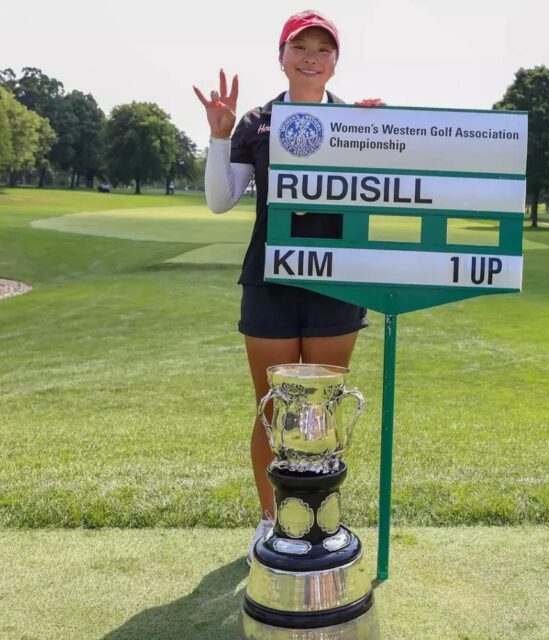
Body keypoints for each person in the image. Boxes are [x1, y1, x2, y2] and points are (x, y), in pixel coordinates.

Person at [193, 10, 373, 560]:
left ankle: (315, 521)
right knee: (272, 410)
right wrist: (219, 137)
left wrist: (392, 134)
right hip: (269, 283)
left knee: (321, 410)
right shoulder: (256, 121)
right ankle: (272, 522)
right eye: (302, 47)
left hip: (336, 284)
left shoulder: (359, 122)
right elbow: (222, 199)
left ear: (336, 62)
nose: (312, 57)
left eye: (324, 49)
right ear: (282, 55)